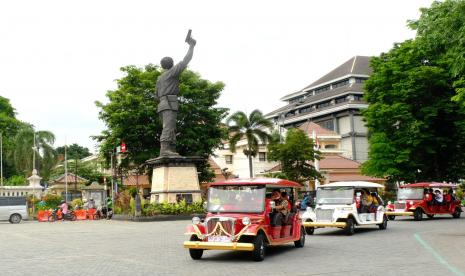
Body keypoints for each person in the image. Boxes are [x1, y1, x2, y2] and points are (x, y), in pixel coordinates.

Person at [156, 31, 197, 156]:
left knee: (170, 127)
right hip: (169, 103)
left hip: (162, 105)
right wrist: (192, 45)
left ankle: (171, 149)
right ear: (172, 64)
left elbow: (156, 96)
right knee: (169, 127)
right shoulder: (172, 72)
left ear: (162, 66)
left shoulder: (159, 78)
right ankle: (165, 149)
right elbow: (186, 60)